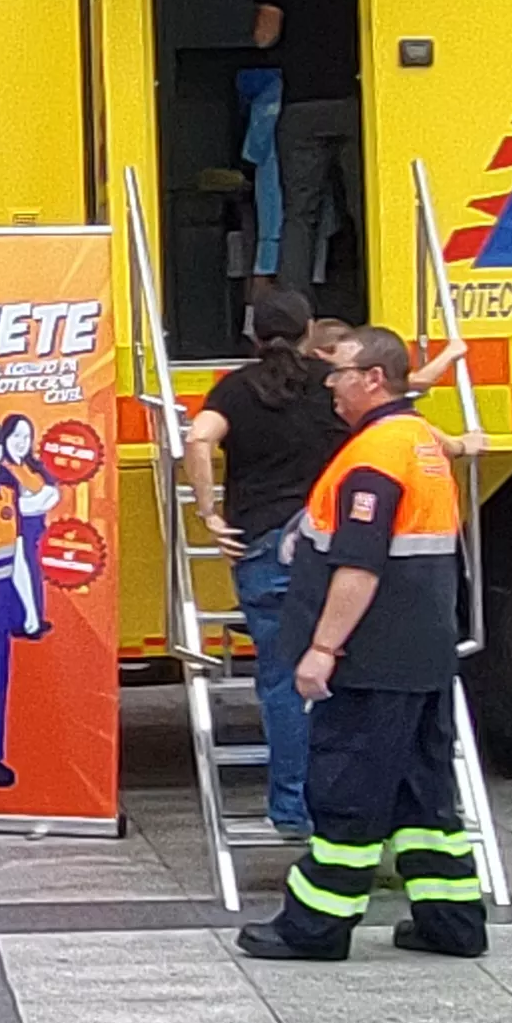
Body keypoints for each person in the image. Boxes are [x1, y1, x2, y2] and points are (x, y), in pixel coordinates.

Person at [235, 325, 489, 965]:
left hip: (372, 661)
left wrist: (322, 648)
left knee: (346, 796)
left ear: (374, 379)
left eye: (340, 372)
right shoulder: (418, 443)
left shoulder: (374, 458)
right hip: (424, 654)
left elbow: (359, 565)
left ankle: (314, 928)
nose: (329, 384)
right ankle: (452, 922)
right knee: (424, 800)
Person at [176, 293, 343, 839]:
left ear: (253, 336)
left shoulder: (235, 388)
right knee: (345, 674)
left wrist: (209, 513)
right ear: (310, 330)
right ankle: (345, 802)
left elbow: (198, 439)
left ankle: (292, 809)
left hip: (264, 544)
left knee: (281, 679)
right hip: (329, 543)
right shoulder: (332, 383)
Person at [249, 0, 363, 315]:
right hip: (359, 104)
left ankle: (295, 316)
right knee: (364, 208)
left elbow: (265, 37)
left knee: (300, 215)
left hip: (301, 106)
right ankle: (376, 300)